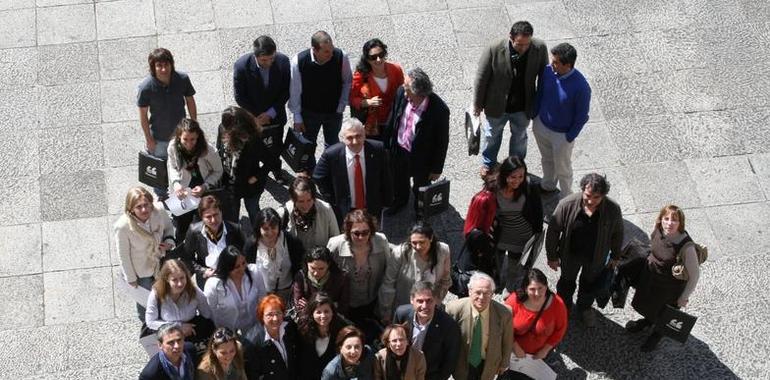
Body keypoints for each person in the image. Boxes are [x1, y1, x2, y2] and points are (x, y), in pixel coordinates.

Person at [545, 173, 623, 327]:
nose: (591, 201)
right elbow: (553, 231)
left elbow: (617, 233)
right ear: (582, 190)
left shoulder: (612, 209)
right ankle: (563, 307)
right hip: (570, 255)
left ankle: (584, 307)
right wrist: (552, 256)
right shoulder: (567, 204)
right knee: (566, 283)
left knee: (589, 284)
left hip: (596, 257)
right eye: (588, 195)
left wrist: (615, 255)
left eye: (596, 197)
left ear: (603, 196)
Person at [474, 21, 548, 176]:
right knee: (492, 135)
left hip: (523, 105)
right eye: (519, 44)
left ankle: (516, 166)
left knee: (520, 137)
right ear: (511, 37)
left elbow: (544, 77)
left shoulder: (539, 48)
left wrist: (541, 103)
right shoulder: (494, 48)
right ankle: (489, 163)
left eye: (527, 44)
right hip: (497, 104)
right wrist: (477, 104)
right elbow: (482, 78)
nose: (523, 48)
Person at [626, 205, 701, 352]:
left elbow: (695, 275)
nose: (669, 223)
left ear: (681, 223)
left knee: (663, 316)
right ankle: (647, 322)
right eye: (666, 218)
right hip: (651, 279)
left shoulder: (686, 246)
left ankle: (656, 336)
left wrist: (684, 297)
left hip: (669, 291)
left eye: (675, 220)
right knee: (648, 305)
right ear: (661, 219)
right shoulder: (659, 230)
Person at [464, 156, 543, 292]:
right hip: (499, 234)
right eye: (513, 177)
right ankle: (498, 283)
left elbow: (538, 211)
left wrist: (537, 233)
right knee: (497, 261)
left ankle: (511, 287)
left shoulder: (530, 187)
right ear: (504, 174)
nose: (517, 181)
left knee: (514, 264)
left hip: (521, 236)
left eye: (521, 176)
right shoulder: (493, 188)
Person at [383, 68, 449, 218]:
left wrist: (437, 168)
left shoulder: (439, 110)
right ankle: (400, 201)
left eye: (407, 90)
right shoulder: (402, 93)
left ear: (419, 93)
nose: (404, 92)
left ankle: (420, 211)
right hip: (399, 149)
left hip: (422, 158)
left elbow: (442, 142)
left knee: (421, 187)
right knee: (399, 179)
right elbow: (393, 117)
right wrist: (386, 144)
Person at [289, 30, 353, 173]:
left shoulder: (341, 56)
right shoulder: (299, 61)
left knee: (332, 145)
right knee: (308, 145)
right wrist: (297, 117)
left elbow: (347, 81)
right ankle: (311, 171)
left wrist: (341, 105)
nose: (331, 54)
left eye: (331, 49)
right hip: (309, 112)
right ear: (314, 50)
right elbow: (295, 91)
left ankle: (327, 172)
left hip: (333, 111)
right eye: (326, 52)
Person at [137, 48, 197, 199]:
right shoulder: (146, 87)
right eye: (159, 66)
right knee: (160, 169)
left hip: (181, 136)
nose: (163, 69)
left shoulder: (182, 79)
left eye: (166, 65)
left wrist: (194, 125)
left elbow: (190, 100)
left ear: (172, 64)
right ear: (153, 67)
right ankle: (162, 196)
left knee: (183, 165)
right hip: (159, 138)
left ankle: (183, 193)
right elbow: (143, 116)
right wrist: (149, 139)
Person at [533, 42, 591, 196]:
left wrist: (569, 136)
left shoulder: (581, 87)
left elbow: (582, 116)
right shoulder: (548, 72)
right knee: (546, 159)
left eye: (556, 62)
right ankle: (548, 185)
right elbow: (540, 92)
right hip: (542, 125)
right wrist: (535, 115)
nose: (551, 64)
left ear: (568, 65)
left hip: (562, 135)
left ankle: (566, 196)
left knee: (563, 167)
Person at [327, 209, 393, 342]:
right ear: (347, 231)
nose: (361, 237)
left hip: (372, 301)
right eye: (356, 233)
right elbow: (326, 273)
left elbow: (389, 269)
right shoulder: (335, 245)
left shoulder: (381, 241)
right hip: (346, 305)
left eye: (365, 232)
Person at [313, 118, 393, 225]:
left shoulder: (378, 149)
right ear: (342, 138)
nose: (355, 142)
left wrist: (387, 200)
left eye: (358, 136)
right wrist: (332, 197)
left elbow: (386, 176)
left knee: (371, 233)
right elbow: (318, 176)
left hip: (371, 206)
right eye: (350, 138)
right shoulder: (331, 154)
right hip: (346, 208)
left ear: (364, 134)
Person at [233, 35, 291, 184]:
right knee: (254, 147)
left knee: (275, 145)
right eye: (264, 60)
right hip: (253, 118)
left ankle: (277, 170)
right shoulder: (242, 66)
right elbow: (240, 96)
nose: (269, 63)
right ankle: (257, 174)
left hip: (275, 115)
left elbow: (286, 91)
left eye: (271, 58)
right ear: (256, 56)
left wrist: (270, 113)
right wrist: (257, 116)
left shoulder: (283, 62)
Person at [114, 186, 174, 323]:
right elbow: (123, 255)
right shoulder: (123, 227)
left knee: (165, 296)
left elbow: (169, 229)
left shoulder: (159, 211)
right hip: (141, 272)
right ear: (131, 209)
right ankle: (147, 325)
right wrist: (131, 278)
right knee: (146, 303)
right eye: (138, 207)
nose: (144, 210)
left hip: (160, 264)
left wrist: (169, 242)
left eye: (146, 205)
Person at [445, 272, 513, 380]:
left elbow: (507, 341)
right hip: (462, 362)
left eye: (486, 293)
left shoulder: (504, 313)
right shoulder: (453, 309)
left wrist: (504, 363)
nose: (481, 297)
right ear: (469, 291)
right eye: (478, 292)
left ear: (492, 294)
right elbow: (446, 339)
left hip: (488, 362)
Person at [380, 222, 451, 322]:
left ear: (431, 239)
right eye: (414, 243)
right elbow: (388, 284)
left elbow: (445, 280)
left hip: (429, 309)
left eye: (422, 242)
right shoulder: (400, 253)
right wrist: (386, 312)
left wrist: (436, 301)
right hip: (403, 307)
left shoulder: (443, 251)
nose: (417, 247)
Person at [167, 118, 223, 242]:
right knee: (182, 224)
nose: (189, 144)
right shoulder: (173, 147)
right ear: (178, 137)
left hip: (203, 188)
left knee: (205, 222)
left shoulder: (208, 150)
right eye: (185, 139)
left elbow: (218, 170)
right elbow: (172, 166)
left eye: (193, 139)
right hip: (184, 190)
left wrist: (205, 186)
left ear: (198, 137)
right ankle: (181, 247)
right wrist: (176, 184)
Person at [503, 268, 567, 375]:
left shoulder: (557, 304)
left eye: (540, 288)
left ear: (546, 287)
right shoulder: (514, 301)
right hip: (513, 352)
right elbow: (503, 326)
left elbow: (560, 330)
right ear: (525, 289)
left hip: (539, 355)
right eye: (532, 289)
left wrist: (546, 350)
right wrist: (515, 346)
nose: (537, 293)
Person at [393, 281, 461, 380]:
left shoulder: (448, 325)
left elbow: (450, 360)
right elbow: (393, 340)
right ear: (412, 300)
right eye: (420, 301)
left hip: (430, 375)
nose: (424, 306)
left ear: (436, 301)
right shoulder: (401, 314)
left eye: (429, 301)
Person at [145, 259, 215, 350]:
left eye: (182, 278)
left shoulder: (193, 291)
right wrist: (178, 327)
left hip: (192, 335)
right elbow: (150, 322)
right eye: (174, 280)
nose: (180, 283)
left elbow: (207, 313)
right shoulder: (157, 294)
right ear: (166, 279)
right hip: (169, 337)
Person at [216, 105, 268, 225]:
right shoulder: (222, 128)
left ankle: (259, 235)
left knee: (253, 211)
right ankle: (235, 238)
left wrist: (256, 177)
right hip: (231, 184)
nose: (226, 131)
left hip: (250, 185)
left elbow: (271, 161)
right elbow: (219, 148)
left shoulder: (252, 139)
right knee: (232, 215)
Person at [183, 195, 245, 289]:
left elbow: (244, 253)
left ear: (221, 212)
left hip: (232, 276)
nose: (213, 220)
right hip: (207, 278)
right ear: (202, 217)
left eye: (216, 214)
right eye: (208, 217)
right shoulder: (194, 231)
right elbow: (187, 257)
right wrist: (203, 271)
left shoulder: (235, 229)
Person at [245, 208, 304, 302]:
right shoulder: (251, 245)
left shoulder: (291, 241)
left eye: (273, 228)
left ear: (279, 226)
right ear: (259, 228)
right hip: (263, 295)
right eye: (265, 229)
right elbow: (247, 271)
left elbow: (300, 267)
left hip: (288, 292)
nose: (270, 232)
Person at [349, 38, 404, 139]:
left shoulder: (396, 70)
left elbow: (403, 93)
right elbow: (351, 99)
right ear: (367, 59)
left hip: (393, 120)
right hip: (372, 125)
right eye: (373, 57)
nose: (378, 60)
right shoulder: (361, 75)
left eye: (381, 55)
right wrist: (367, 102)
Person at [204, 246, 266, 333]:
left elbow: (262, 298)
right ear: (227, 268)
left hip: (255, 328)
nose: (242, 269)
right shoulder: (213, 285)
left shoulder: (254, 272)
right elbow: (211, 312)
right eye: (237, 267)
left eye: (244, 263)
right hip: (229, 333)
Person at [242, 294, 299, 380]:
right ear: (261, 316)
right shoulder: (253, 342)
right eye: (270, 315)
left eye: (278, 313)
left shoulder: (290, 327)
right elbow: (253, 375)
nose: (275, 318)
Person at [297, 292, 351, 380]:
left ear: (332, 312)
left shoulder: (341, 329)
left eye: (326, 311)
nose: (323, 316)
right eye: (318, 312)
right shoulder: (303, 329)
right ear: (312, 314)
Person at [279, 177, 340, 251]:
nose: (305, 205)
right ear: (293, 200)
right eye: (301, 201)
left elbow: (336, 239)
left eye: (309, 200)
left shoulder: (326, 209)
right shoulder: (284, 213)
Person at [292, 247, 351, 316]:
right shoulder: (301, 277)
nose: (316, 273)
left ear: (328, 265)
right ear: (307, 264)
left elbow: (343, 306)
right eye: (312, 268)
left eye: (321, 269)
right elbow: (298, 305)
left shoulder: (341, 278)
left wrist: (309, 306)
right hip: (308, 318)